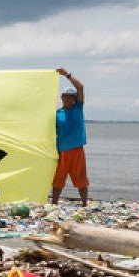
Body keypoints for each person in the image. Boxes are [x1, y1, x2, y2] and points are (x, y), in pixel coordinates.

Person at [51, 68, 88, 206]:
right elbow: (50, 132)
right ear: (61, 98)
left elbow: (80, 87)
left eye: (70, 97)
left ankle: (85, 204)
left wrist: (66, 74)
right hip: (61, 151)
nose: (67, 99)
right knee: (58, 180)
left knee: (81, 179)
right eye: (65, 96)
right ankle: (54, 203)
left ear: (74, 99)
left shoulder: (78, 108)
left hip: (77, 150)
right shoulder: (57, 114)